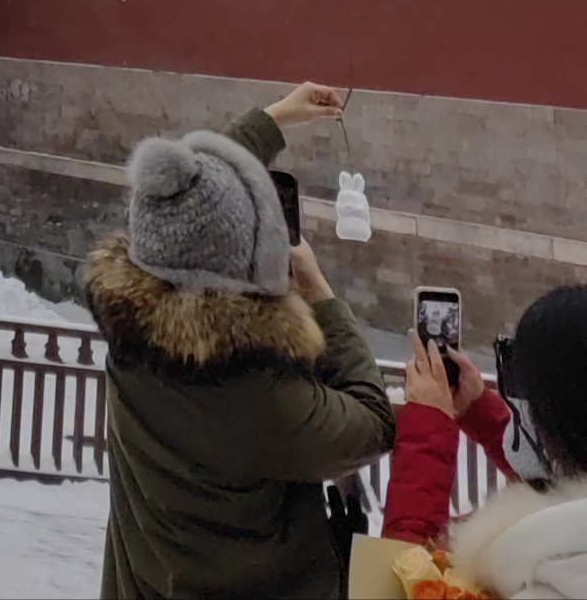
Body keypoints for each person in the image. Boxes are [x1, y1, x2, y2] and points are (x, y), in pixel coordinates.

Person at [83, 79, 393, 600]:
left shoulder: (130, 335)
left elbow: (180, 205)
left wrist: (273, 120)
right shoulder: (260, 396)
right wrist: (321, 297)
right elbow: (373, 424)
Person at [383, 284, 587, 589]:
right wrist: (481, 413)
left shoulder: (546, 570)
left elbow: (399, 586)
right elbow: (552, 472)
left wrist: (427, 427)